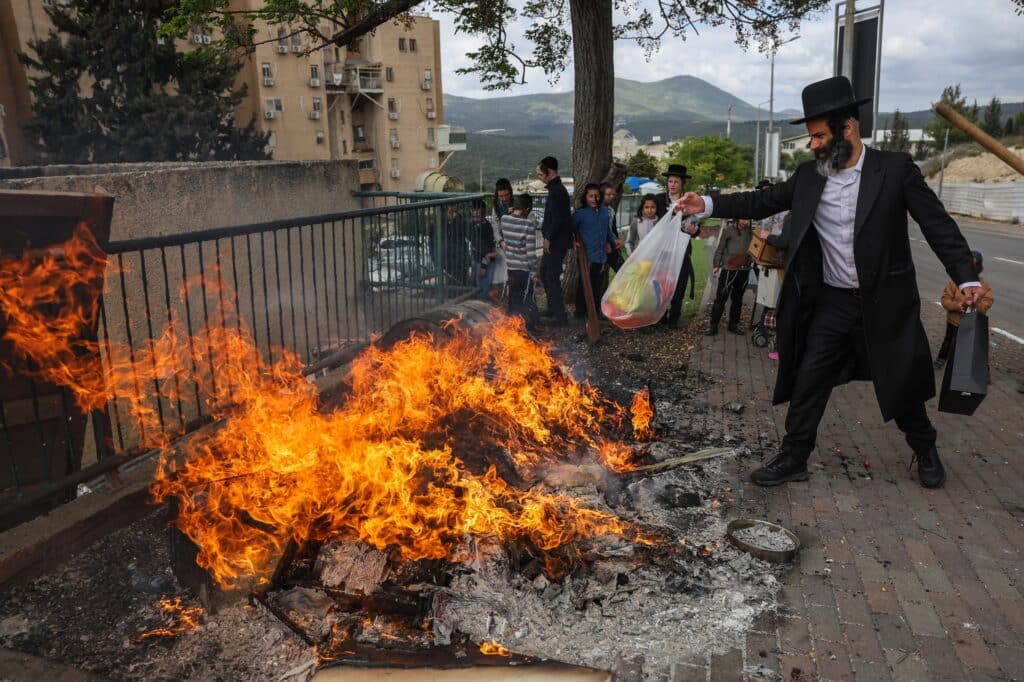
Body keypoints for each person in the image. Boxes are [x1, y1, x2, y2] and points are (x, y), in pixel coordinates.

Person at [674, 75, 982, 490]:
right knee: (810, 377)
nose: (813, 144)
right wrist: (708, 203)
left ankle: (925, 448)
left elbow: (937, 225)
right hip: (833, 303)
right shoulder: (809, 177)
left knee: (901, 384)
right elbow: (759, 201)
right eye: (811, 137)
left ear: (847, 129)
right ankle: (794, 455)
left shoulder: (894, 170)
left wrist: (965, 277)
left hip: (884, 304)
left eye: (819, 135)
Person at [641, 164, 701, 328]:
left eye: (676, 181)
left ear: (682, 184)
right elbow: (649, 217)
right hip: (662, 251)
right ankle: (659, 317)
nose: (672, 184)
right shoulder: (659, 200)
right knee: (660, 285)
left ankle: (674, 318)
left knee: (680, 284)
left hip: (681, 250)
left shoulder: (690, 202)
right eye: (670, 181)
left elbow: (696, 228)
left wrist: (694, 230)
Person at [935, 250, 994, 369]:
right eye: (969, 265)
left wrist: (976, 304)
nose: (972, 268)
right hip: (954, 321)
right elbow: (945, 299)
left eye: (975, 265)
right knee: (949, 341)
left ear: (979, 267)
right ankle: (941, 358)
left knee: (977, 346)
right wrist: (956, 306)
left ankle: (983, 370)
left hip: (974, 323)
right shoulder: (954, 282)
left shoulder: (985, 287)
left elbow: (987, 304)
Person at [572, 183, 617, 318]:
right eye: (590, 196)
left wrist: (613, 239)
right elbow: (570, 229)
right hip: (586, 256)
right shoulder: (580, 214)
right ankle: (580, 312)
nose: (594, 199)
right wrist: (571, 241)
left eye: (596, 196)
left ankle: (595, 312)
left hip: (600, 255)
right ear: (585, 197)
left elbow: (608, 230)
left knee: (596, 284)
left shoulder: (604, 211)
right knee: (584, 284)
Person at [536, 157, 572, 325]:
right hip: (553, 241)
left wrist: (548, 238)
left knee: (552, 276)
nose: (539, 177)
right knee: (544, 273)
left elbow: (558, 219)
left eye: (540, 174)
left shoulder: (557, 191)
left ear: (549, 172)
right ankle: (552, 308)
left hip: (556, 243)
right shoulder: (555, 189)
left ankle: (560, 316)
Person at [500, 193, 541, 330]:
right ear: (528, 210)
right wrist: (535, 269)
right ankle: (528, 327)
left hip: (511, 267)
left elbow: (508, 215)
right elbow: (530, 252)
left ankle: (511, 326)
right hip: (524, 269)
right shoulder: (528, 224)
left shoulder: (504, 219)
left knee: (513, 297)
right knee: (526, 299)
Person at [707, 218, 753, 336]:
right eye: (743, 219)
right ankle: (713, 326)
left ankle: (733, 324)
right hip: (729, 269)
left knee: (738, 299)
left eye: (748, 220)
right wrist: (716, 265)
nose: (745, 222)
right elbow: (720, 248)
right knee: (721, 298)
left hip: (744, 269)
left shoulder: (751, 232)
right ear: (737, 219)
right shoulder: (728, 231)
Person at [470, 200, 499, 302]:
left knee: (482, 289)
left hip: (485, 263)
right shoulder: (474, 225)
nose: (475, 218)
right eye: (473, 215)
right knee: (475, 286)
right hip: (477, 260)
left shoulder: (486, 228)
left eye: (478, 215)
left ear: (483, 213)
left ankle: (482, 310)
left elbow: (489, 251)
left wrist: (483, 267)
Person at [489, 178, 514, 292]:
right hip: (502, 243)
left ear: (511, 193)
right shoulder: (496, 206)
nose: (504, 199)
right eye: (501, 196)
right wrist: (500, 241)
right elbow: (495, 226)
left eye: (506, 195)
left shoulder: (517, 204)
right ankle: (502, 292)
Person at [600, 182, 625, 272]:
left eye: (613, 194)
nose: (611, 197)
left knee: (622, 269)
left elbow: (613, 229)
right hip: (599, 247)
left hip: (611, 245)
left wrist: (617, 242)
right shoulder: (596, 210)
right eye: (608, 194)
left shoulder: (611, 210)